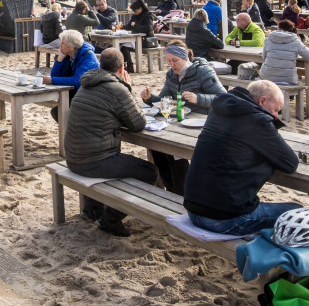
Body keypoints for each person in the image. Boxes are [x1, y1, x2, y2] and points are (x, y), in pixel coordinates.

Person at [184, 80, 301, 235]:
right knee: (299, 213)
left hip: (193, 210)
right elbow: (290, 163)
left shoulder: (219, 109)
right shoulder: (257, 119)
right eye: (275, 110)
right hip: (223, 219)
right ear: (262, 101)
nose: (275, 116)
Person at [64, 48, 155, 237]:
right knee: (149, 172)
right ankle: (110, 220)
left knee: (111, 156)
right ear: (122, 69)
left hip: (73, 157)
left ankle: (93, 209)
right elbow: (138, 124)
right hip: (92, 162)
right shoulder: (116, 88)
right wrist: (127, 88)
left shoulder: (87, 83)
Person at [139, 42, 225, 193]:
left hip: (203, 123)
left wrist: (198, 98)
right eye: (169, 61)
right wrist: (149, 98)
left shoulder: (203, 72)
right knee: (157, 147)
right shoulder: (171, 75)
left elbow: (224, 98)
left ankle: (181, 192)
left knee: (174, 153)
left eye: (175, 60)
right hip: (179, 121)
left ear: (185, 58)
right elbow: (164, 100)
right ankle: (172, 190)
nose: (172, 65)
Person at [42, 30, 99, 116]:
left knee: (58, 112)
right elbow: (55, 75)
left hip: (90, 96)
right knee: (58, 111)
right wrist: (60, 59)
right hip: (77, 93)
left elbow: (77, 81)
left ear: (71, 47)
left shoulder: (88, 57)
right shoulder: (68, 55)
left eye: (62, 43)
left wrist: (52, 80)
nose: (60, 44)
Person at [260, 19, 309, 86]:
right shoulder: (295, 41)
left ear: (278, 28)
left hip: (266, 77)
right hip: (287, 79)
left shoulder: (268, 39)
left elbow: (264, 57)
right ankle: (291, 96)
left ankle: (288, 96)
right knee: (298, 79)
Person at [120, 0, 156, 73]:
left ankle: (130, 66)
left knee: (124, 47)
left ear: (140, 8)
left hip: (145, 39)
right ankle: (127, 65)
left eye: (135, 10)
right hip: (135, 39)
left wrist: (136, 25)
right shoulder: (135, 16)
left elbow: (148, 29)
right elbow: (129, 25)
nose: (134, 12)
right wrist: (122, 27)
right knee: (122, 46)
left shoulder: (147, 16)